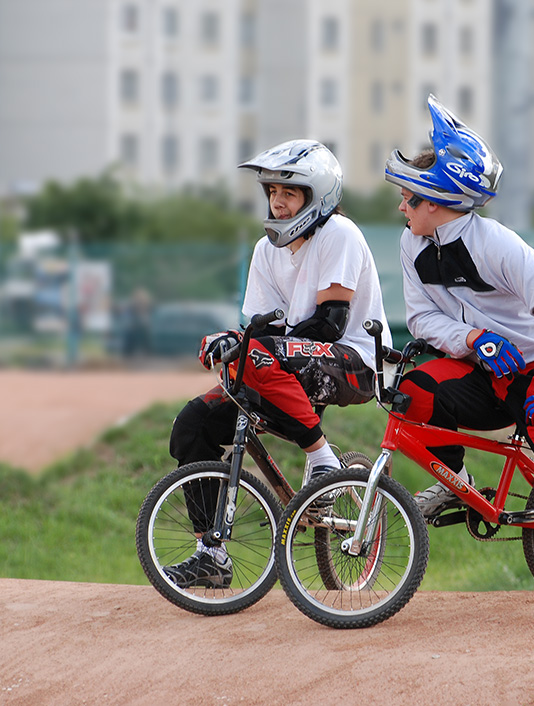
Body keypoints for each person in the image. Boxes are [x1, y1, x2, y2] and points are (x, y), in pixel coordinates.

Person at [384, 95, 534, 626]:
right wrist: (474, 338)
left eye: (409, 198)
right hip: (484, 370)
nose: (402, 207)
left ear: (438, 201)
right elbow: (422, 319)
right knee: (417, 388)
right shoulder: (412, 246)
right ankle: (456, 479)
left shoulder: (497, 245)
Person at [164, 139, 391, 589]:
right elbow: (261, 333)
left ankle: (323, 460)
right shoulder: (265, 250)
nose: (277, 202)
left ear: (318, 195)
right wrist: (231, 342)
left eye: (289, 193)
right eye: (271, 192)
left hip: (353, 362)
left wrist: (252, 346)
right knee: (192, 426)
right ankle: (210, 554)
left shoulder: (339, 235)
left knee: (257, 353)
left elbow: (329, 324)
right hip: (287, 365)